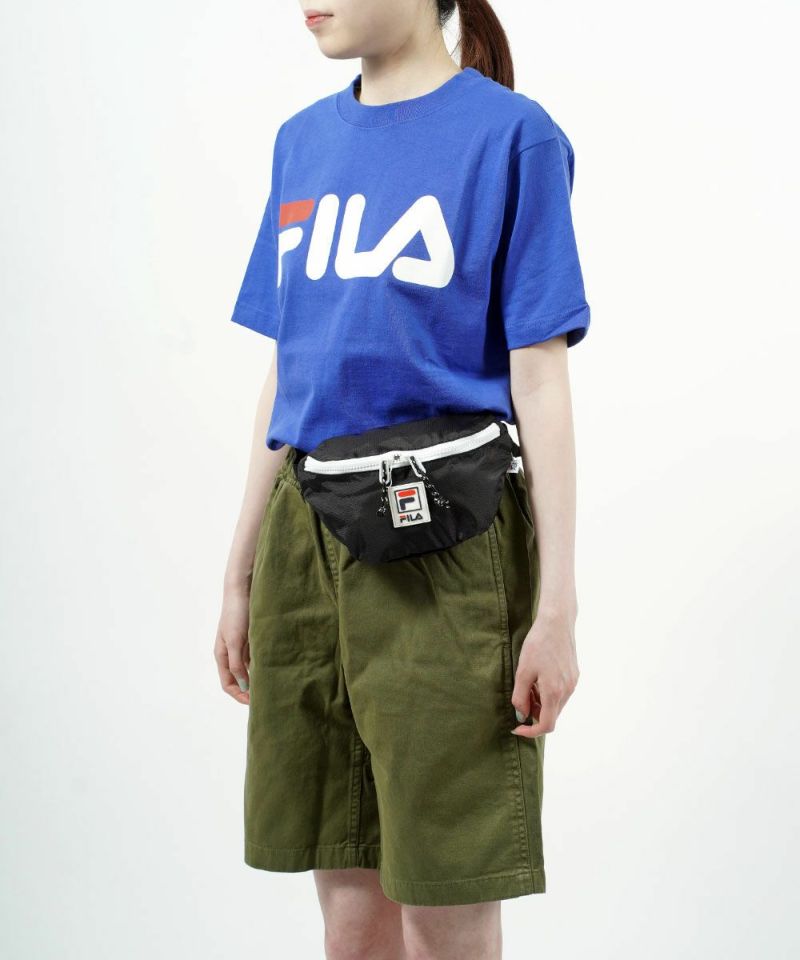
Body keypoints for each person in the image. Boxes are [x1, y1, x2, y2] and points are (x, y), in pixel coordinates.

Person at [214, 1, 590, 957]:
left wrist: (556, 608)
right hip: (306, 535)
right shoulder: (302, 143)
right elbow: (288, 371)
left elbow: (540, 377)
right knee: (347, 901)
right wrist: (240, 571)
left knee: (444, 899)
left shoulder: (513, 138)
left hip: (443, 548)